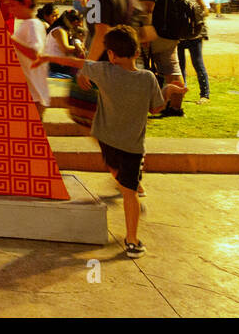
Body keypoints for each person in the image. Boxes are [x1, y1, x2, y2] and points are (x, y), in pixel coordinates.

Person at [44, 24, 164, 258]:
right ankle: (132, 241)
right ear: (137, 53)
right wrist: (168, 92)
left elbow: (76, 64)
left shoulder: (103, 71)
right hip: (132, 147)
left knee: (118, 176)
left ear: (110, 54)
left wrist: (43, 57)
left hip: (106, 141)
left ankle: (124, 184)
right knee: (130, 193)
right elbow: (157, 108)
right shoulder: (148, 78)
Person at [130, 0, 188, 116]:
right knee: (173, 69)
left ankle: (151, 104)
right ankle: (175, 107)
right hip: (171, 33)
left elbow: (147, 12)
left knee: (155, 69)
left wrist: (143, 35)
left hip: (158, 34)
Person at [0, 0, 49, 116]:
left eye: (12, 5)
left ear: (26, 3)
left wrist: (9, 38)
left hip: (34, 97)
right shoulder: (26, 24)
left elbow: (35, 54)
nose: (10, 10)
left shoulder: (33, 25)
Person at [169, 0, 210, 104]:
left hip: (194, 36)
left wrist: (193, 17)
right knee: (180, 66)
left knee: (198, 64)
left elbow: (206, 10)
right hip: (179, 36)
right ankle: (182, 93)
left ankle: (205, 95)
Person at [44, 9, 86, 78]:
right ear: (75, 22)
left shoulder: (66, 32)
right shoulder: (60, 31)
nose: (79, 27)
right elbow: (65, 48)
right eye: (78, 24)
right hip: (56, 70)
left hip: (61, 69)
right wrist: (80, 48)